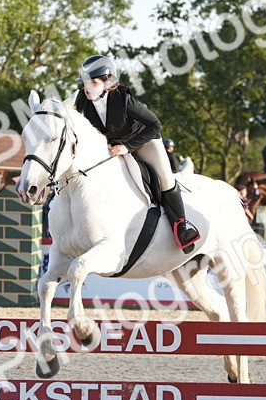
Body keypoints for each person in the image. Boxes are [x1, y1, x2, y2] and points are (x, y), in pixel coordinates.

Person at [74, 54, 200, 253]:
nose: (87, 88)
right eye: (84, 83)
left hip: (143, 140)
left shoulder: (124, 100)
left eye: (93, 82)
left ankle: (182, 227)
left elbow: (155, 124)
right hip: (112, 145)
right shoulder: (82, 101)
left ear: (108, 83)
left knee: (165, 178)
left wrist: (128, 147)